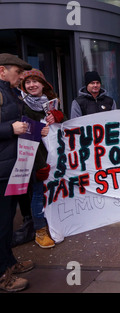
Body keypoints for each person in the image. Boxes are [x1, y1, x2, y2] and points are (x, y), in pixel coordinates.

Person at [0, 53, 34, 292]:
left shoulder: (10, 92)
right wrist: (9, 129)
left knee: (7, 222)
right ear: (2, 70)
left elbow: (17, 122)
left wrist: (34, 130)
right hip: (2, 171)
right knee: (1, 224)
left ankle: (9, 263)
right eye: (17, 71)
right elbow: (10, 126)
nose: (22, 76)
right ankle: (2, 276)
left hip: (11, 168)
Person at [21, 68, 66, 248]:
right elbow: (27, 137)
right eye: (28, 83)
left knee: (55, 192)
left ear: (43, 84)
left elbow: (66, 127)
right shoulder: (22, 106)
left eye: (35, 81)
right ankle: (40, 231)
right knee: (38, 194)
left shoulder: (50, 103)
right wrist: (39, 165)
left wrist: (59, 117)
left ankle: (54, 223)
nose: (32, 85)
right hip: (36, 159)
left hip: (54, 158)